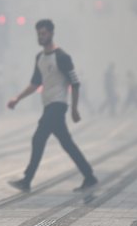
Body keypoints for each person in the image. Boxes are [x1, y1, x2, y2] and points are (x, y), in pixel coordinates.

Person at [7, 19, 97, 192]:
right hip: (48, 105)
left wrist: (74, 108)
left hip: (58, 105)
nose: (41, 37)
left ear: (51, 33)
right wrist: (17, 98)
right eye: (39, 34)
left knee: (38, 138)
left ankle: (27, 180)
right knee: (66, 143)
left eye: (44, 33)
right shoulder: (39, 58)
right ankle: (89, 176)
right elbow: (35, 83)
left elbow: (75, 83)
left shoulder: (62, 57)